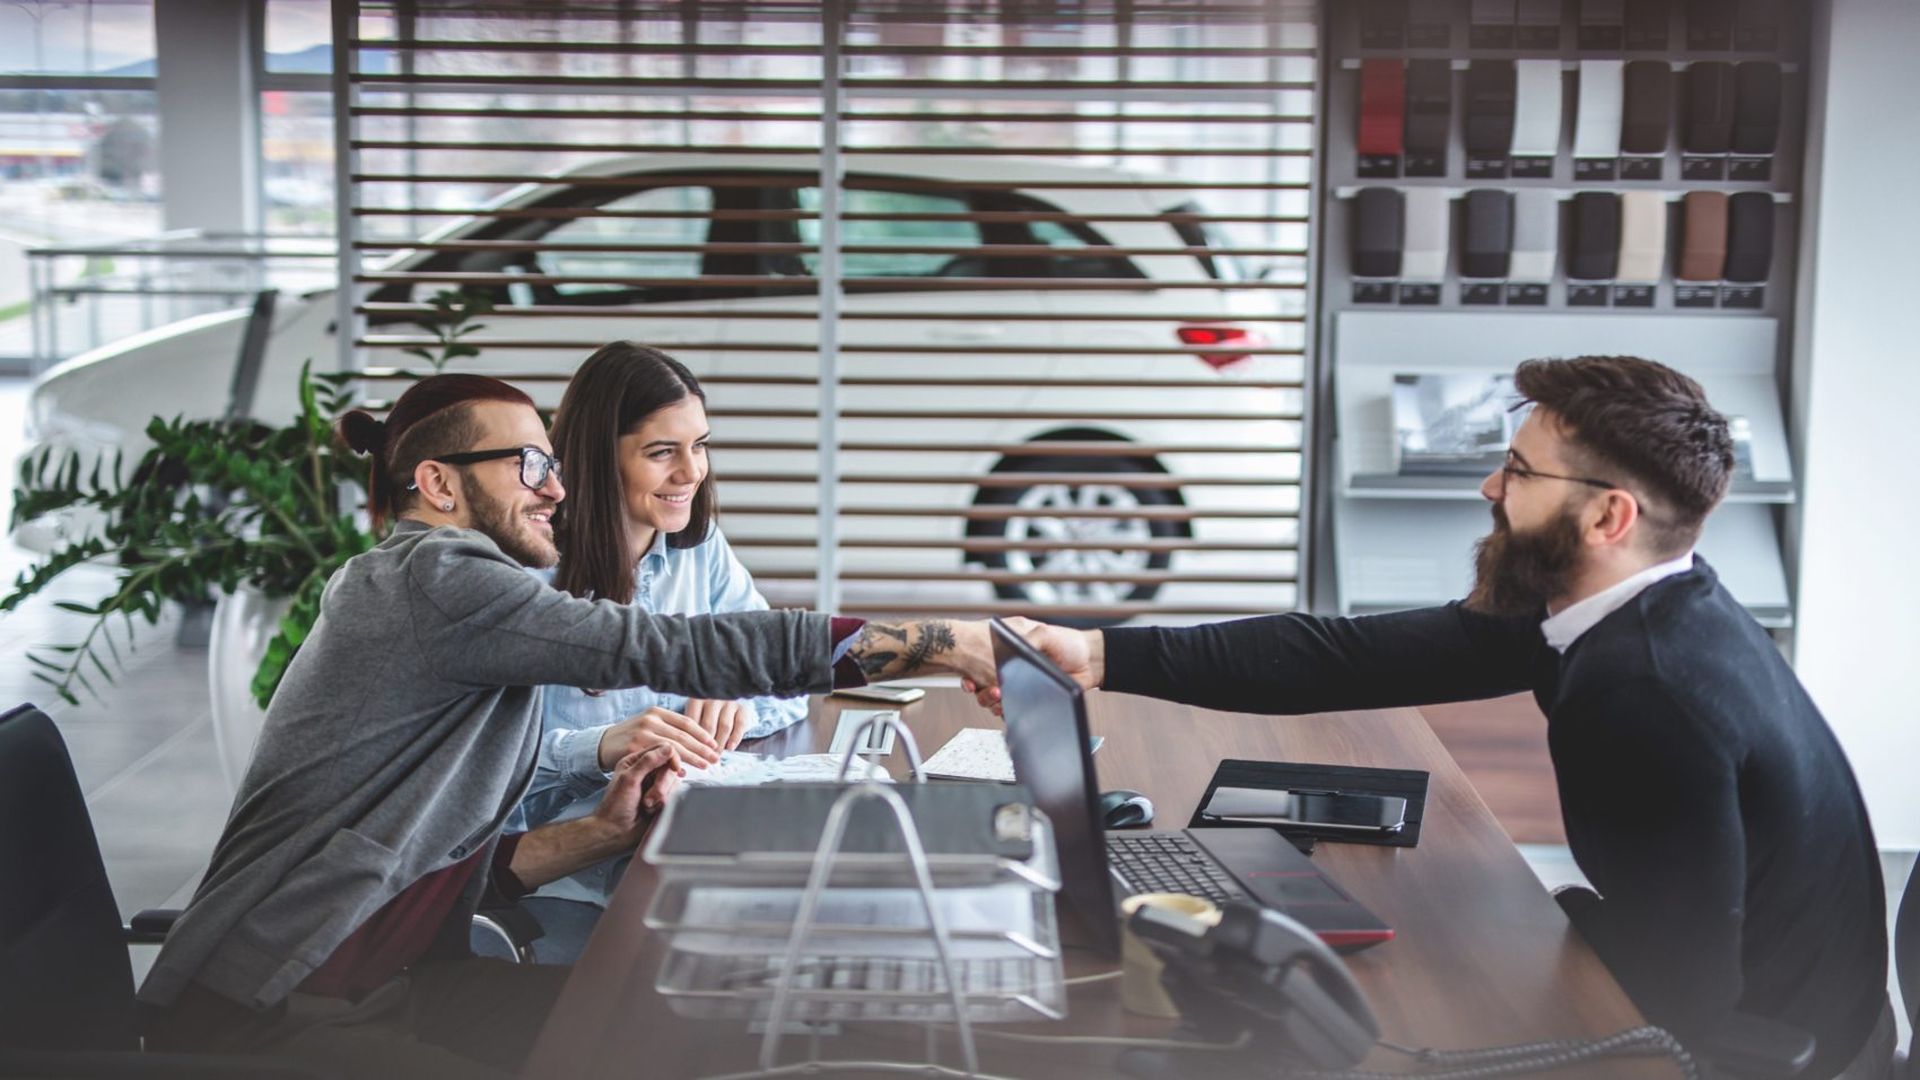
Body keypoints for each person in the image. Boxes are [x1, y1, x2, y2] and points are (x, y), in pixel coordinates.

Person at [987, 356, 1891, 1078]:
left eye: (1521, 472)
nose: (1492, 488)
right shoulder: (1630, 605)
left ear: (1609, 516)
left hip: (1781, 1047)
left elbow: (1689, 1000)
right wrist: (1103, 654)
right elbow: (1345, 654)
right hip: (1761, 993)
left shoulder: (1645, 689)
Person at [140, 373, 997, 1079]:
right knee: (657, 1046)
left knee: (688, 1031)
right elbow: (687, 647)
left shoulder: (451, 593)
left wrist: (598, 831)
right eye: (526, 464)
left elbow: (442, 868)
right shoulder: (437, 579)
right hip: (273, 1012)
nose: (556, 486)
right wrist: (949, 642)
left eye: (550, 461)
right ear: (438, 483)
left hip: (389, 978)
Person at [508, 342, 807, 963]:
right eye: (661, 452)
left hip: (672, 849)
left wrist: (737, 700)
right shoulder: (526, 573)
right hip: (563, 879)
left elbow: (786, 670)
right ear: (596, 459)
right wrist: (601, 746)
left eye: (698, 445)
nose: (692, 471)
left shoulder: (699, 550)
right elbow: (483, 763)